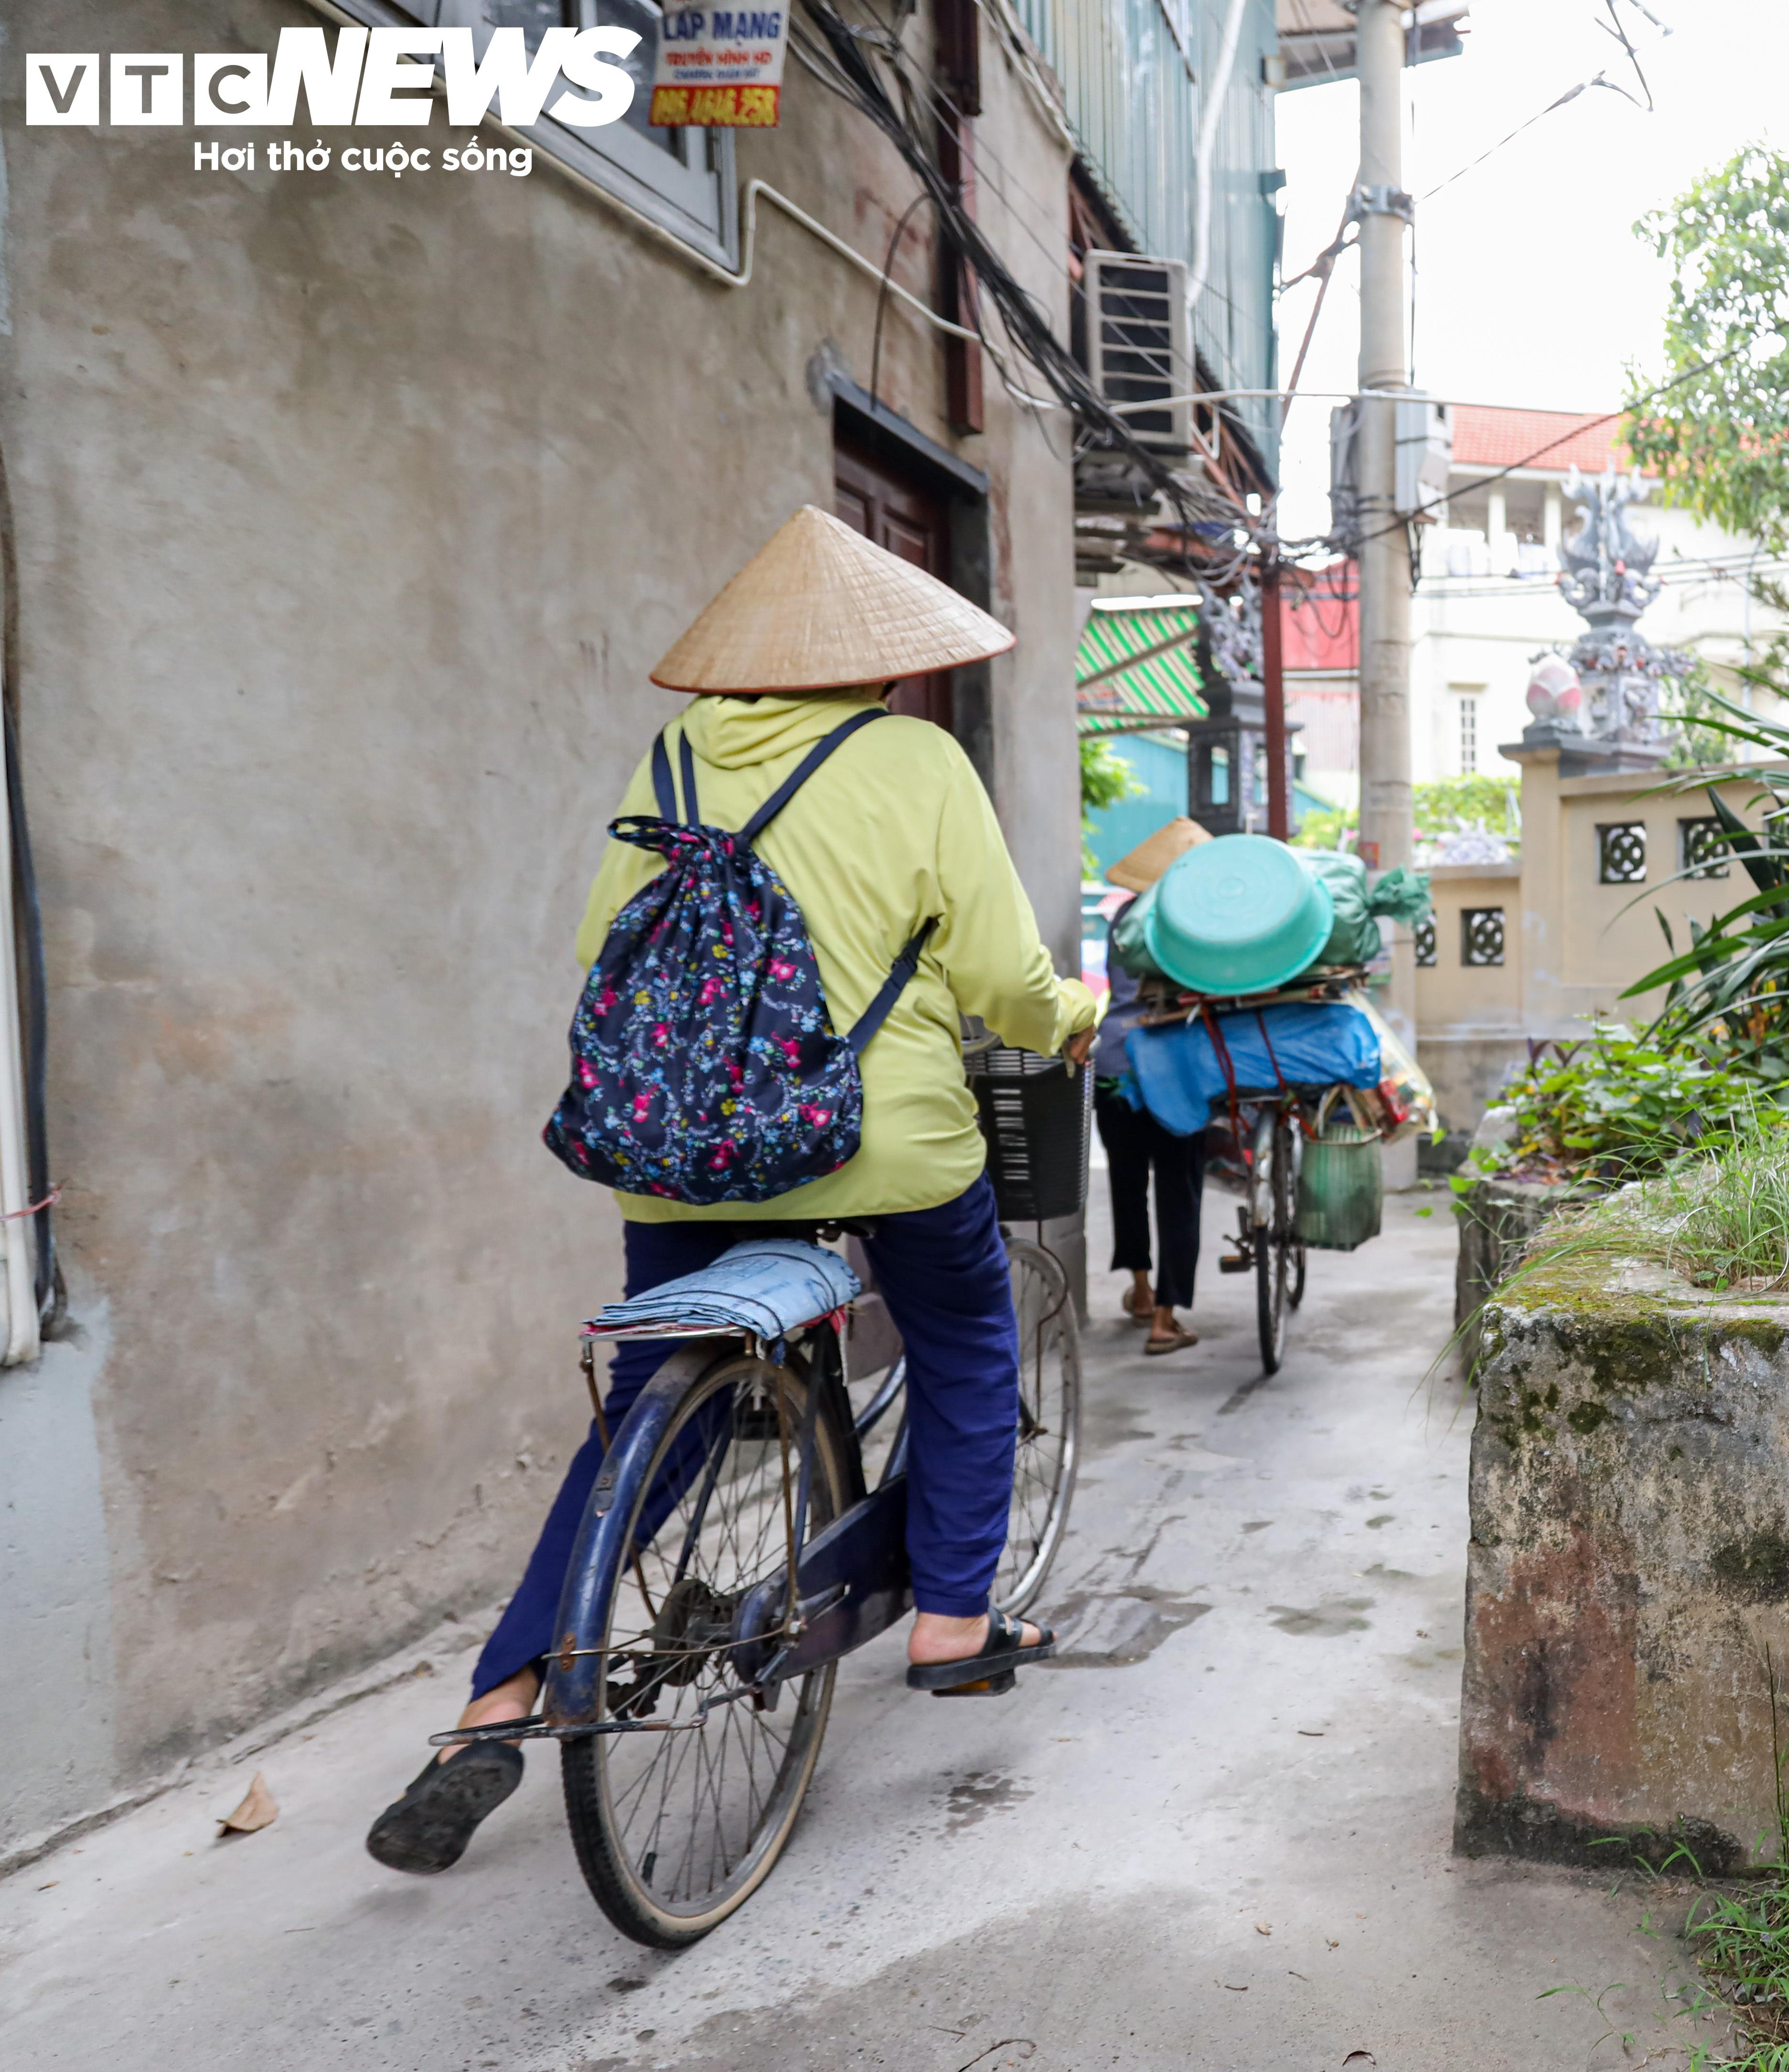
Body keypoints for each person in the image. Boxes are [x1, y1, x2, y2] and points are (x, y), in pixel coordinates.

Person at [365, 505, 1102, 1875]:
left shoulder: (675, 756)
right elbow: (1004, 976)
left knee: (663, 1403)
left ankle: (494, 1701)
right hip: (888, 1144)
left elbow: (606, 949)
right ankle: (951, 1619)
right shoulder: (918, 760)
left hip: (683, 1146)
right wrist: (1069, 1012)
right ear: (886, 661)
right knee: (964, 1341)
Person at [1093, 818, 1212, 1355]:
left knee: (1127, 1185)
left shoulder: (1122, 917)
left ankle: (1141, 1291)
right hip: (1174, 1071)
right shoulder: (1199, 922)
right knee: (1177, 1190)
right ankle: (1166, 1319)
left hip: (1115, 1063)